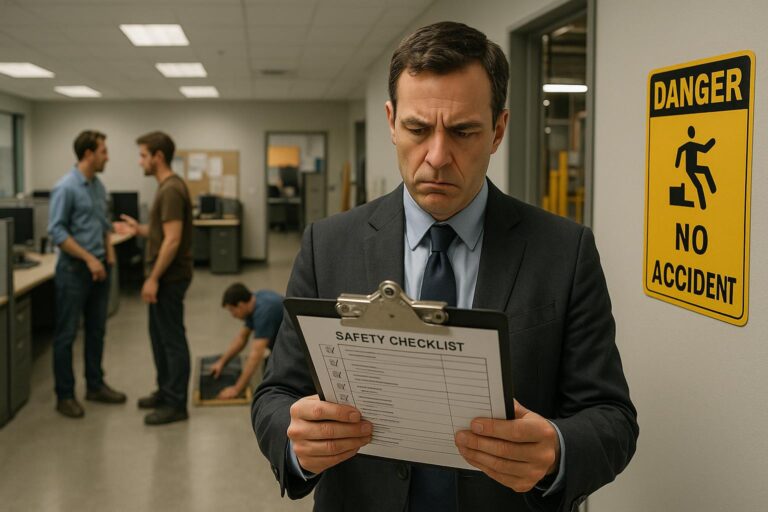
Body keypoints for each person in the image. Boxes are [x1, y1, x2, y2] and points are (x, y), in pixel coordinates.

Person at [252, 21, 638, 512]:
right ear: (391, 122)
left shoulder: (564, 252)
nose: (436, 157)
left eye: (463, 131)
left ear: (498, 130)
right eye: (416, 129)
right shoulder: (327, 244)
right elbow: (275, 392)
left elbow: (612, 418)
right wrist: (294, 437)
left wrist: (556, 451)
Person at [114, 131, 194, 425]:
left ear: (158, 156)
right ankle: (165, 391)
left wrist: (152, 279)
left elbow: (172, 242)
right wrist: (139, 230)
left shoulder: (171, 189)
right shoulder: (166, 187)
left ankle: (176, 404)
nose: (140, 162)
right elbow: (164, 234)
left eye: (143, 155)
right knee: (159, 338)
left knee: (171, 341)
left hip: (169, 278)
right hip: (165, 277)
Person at [48, 130, 126, 418]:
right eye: (104, 151)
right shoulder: (66, 187)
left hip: (99, 268)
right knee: (67, 334)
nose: (108, 156)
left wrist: (109, 254)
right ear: (88, 154)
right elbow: (57, 232)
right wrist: (89, 259)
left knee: (97, 331)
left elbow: (104, 224)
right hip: (74, 270)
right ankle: (64, 395)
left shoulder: (98, 186)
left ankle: (95, 385)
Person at [209, 283, 284, 399]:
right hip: (282, 343)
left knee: (274, 384)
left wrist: (236, 389)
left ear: (240, 305)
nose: (233, 315)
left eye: (232, 310)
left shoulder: (264, 312)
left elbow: (255, 355)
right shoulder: (255, 300)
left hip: (296, 350)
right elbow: (241, 339)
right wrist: (222, 362)